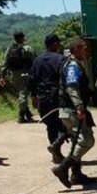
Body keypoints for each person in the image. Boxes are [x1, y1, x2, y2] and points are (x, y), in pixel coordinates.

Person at [51, 37, 97, 188]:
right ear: (76, 49)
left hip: (66, 109)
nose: (87, 51)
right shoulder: (72, 66)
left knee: (77, 141)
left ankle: (76, 174)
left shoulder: (72, 63)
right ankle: (62, 168)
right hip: (71, 110)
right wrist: (79, 107)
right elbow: (71, 87)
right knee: (87, 140)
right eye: (85, 48)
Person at [27, 33, 68, 163]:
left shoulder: (37, 60)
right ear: (55, 44)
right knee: (65, 124)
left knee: (50, 125)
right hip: (57, 97)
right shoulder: (61, 59)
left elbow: (31, 79)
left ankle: (56, 152)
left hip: (43, 97)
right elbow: (65, 79)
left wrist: (33, 96)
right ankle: (56, 146)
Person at [0, 32, 36, 123]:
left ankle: (27, 113)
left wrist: (2, 76)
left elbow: (5, 62)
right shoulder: (27, 48)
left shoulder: (10, 48)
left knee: (21, 93)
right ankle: (21, 115)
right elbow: (35, 60)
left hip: (13, 75)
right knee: (23, 94)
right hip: (25, 73)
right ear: (23, 38)